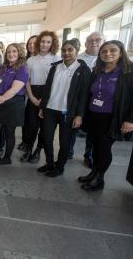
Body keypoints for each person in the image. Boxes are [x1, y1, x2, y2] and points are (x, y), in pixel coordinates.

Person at [79, 40, 133, 191]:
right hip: (94, 115)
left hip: (112, 118)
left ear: (121, 53)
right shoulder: (97, 71)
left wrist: (130, 120)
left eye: (113, 51)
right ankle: (94, 172)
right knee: (95, 147)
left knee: (104, 148)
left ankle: (99, 179)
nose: (108, 54)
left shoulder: (128, 72)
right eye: (104, 51)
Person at [37, 39, 91, 177]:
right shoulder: (55, 67)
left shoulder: (83, 70)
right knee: (47, 138)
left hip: (69, 112)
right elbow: (47, 88)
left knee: (64, 142)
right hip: (50, 109)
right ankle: (49, 163)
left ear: (77, 51)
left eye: (70, 50)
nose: (66, 53)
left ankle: (59, 167)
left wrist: (79, 115)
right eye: (64, 50)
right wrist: (43, 107)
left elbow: (84, 95)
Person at [0, 43, 28, 165]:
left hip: (13, 104)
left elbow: (14, 90)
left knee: (9, 132)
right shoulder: (3, 67)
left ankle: (7, 158)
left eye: (14, 51)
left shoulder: (22, 68)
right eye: (8, 52)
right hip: (0, 101)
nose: (11, 54)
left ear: (19, 53)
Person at [22, 30, 60, 163]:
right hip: (33, 92)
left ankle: (38, 150)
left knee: (45, 127)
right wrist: (31, 97)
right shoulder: (31, 60)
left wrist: (45, 99)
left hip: (49, 94)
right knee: (31, 126)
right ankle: (28, 149)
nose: (44, 44)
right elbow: (27, 80)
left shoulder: (56, 59)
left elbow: (56, 81)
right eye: (42, 41)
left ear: (52, 44)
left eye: (48, 42)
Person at [68, 32, 105, 167]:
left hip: (98, 101)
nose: (94, 43)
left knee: (93, 129)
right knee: (73, 126)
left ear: (103, 42)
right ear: (85, 44)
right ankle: (68, 151)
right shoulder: (77, 58)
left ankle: (89, 156)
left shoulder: (107, 60)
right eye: (91, 41)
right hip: (78, 99)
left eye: (98, 40)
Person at [18, 35, 38, 152]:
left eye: (34, 43)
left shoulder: (44, 59)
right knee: (24, 120)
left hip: (35, 93)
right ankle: (25, 141)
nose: (31, 46)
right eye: (29, 43)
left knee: (32, 122)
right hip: (24, 93)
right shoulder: (25, 59)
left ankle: (30, 145)